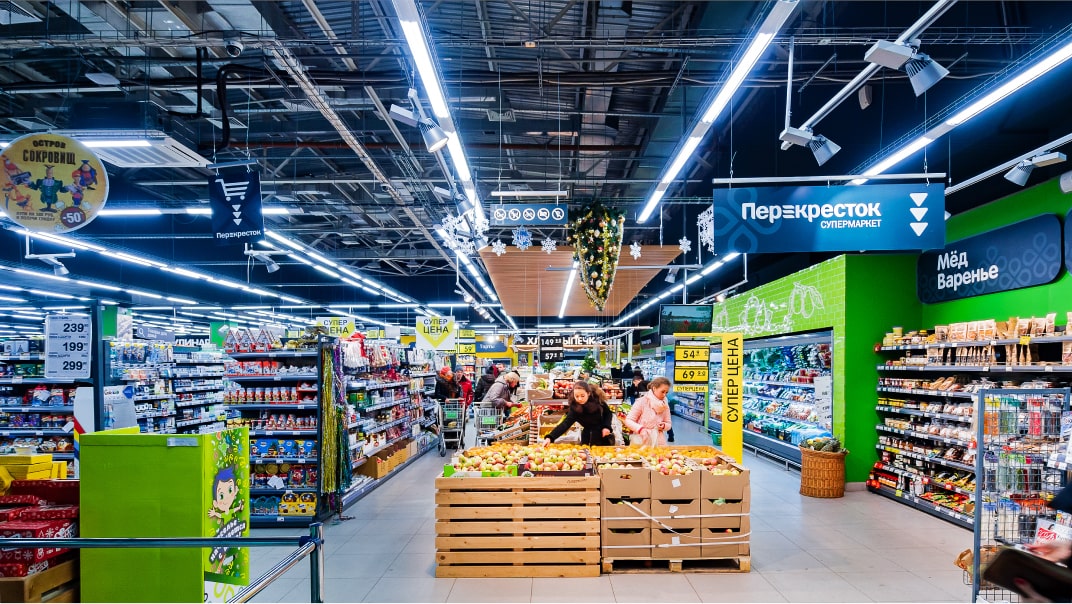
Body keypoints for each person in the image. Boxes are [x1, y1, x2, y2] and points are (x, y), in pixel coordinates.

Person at [543, 381, 614, 446]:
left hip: (602, 436)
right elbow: (565, 424)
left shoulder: (597, 401)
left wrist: (606, 427)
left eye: (582, 396)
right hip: (586, 436)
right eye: (576, 396)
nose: (580, 399)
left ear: (588, 393)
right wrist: (550, 437)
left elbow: (608, 413)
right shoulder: (575, 408)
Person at [624, 376, 673, 447]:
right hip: (641, 439)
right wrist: (640, 429)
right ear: (654, 388)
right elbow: (629, 420)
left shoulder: (665, 405)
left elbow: (668, 423)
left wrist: (664, 426)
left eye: (666, 392)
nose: (664, 395)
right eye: (662, 392)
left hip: (659, 441)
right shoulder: (642, 401)